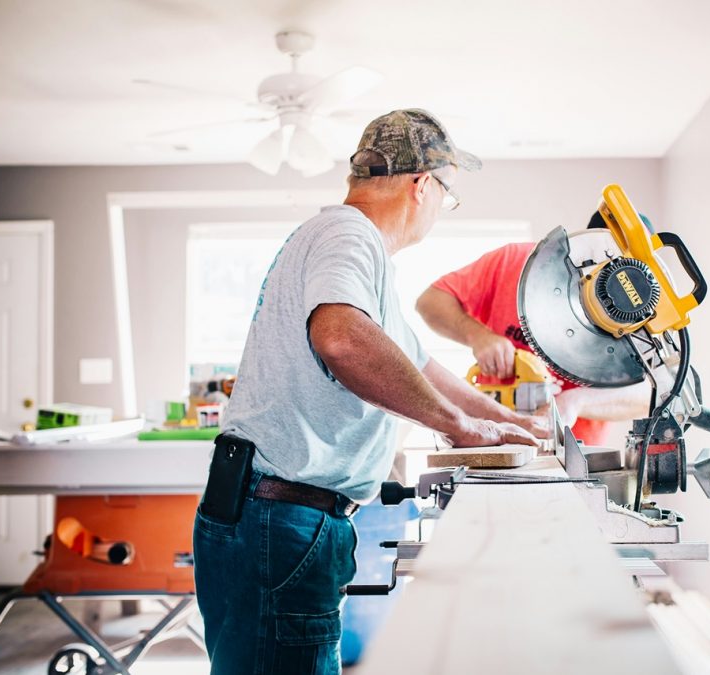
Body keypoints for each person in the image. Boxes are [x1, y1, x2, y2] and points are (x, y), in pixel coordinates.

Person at [193, 109, 544, 675]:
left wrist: (511, 425)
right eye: (446, 195)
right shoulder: (347, 233)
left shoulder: (356, 251)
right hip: (279, 520)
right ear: (423, 185)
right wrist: (460, 427)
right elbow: (342, 340)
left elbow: (421, 365)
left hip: (275, 515)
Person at [415, 211, 654, 447]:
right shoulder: (515, 262)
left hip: (573, 453)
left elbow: (650, 395)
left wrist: (576, 401)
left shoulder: (638, 314)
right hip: (490, 438)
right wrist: (477, 336)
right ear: (583, 242)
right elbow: (430, 302)